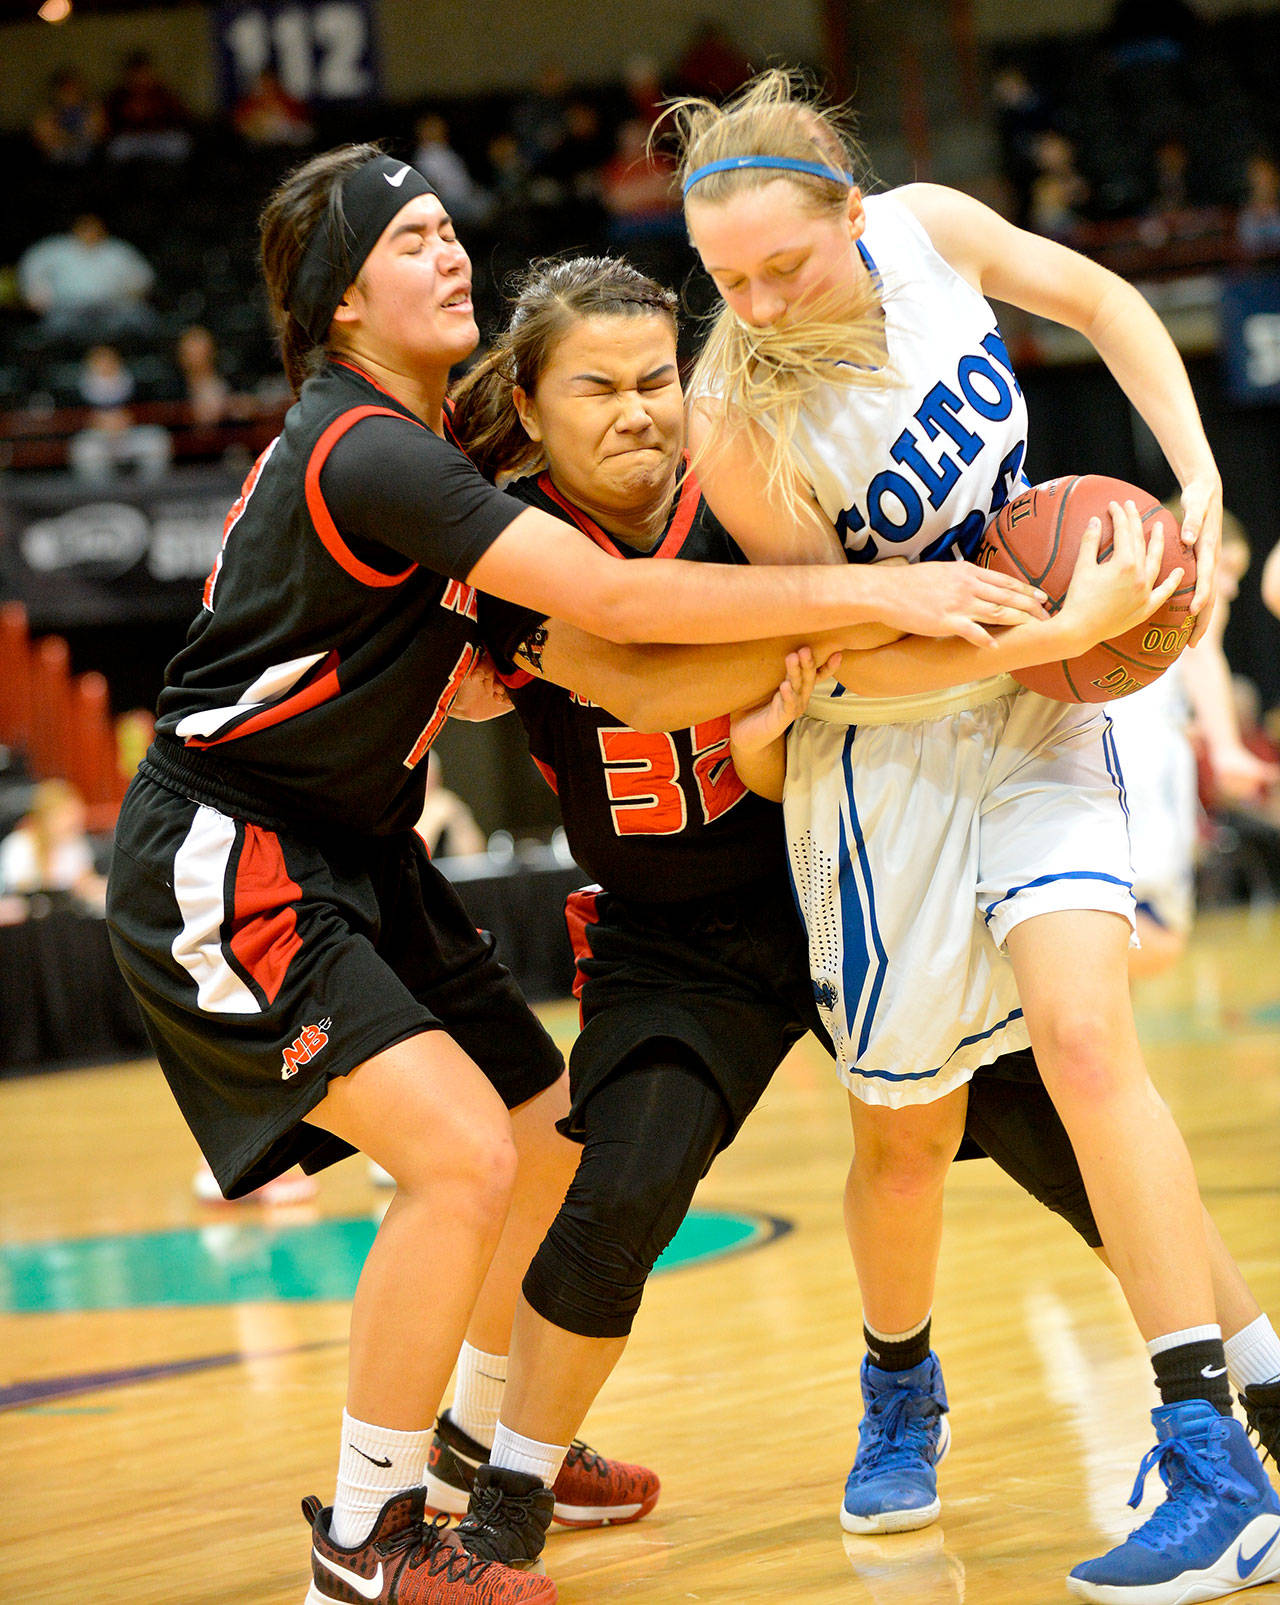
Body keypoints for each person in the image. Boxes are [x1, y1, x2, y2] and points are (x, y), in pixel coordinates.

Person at [103, 143, 1043, 1605]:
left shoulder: (442, 460)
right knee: (464, 1162)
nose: (451, 252)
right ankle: (366, 1539)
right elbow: (612, 598)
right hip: (236, 846)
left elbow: (618, 667)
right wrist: (884, 588)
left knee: (547, 1135)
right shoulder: (368, 448)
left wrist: (855, 650)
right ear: (345, 302)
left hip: (360, 846)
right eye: (412, 239)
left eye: (447, 228)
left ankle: (484, 1448)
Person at [432, 255, 1280, 1585]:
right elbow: (646, 669)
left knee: (1079, 1149)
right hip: (675, 940)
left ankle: (1254, 1400)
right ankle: (500, 1513)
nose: (641, 408)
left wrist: (980, 626)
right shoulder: (513, 548)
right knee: (625, 1188)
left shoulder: (749, 494)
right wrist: (838, 626)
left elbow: (850, 675)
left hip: (833, 873)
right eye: (596, 386)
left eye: (660, 377)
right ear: (528, 406)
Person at [668, 68, 1279, 1605]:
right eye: (722, 277)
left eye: (780, 267)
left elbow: (1104, 298)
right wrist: (1040, 635)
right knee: (907, 1132)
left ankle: (1210, 1453)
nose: (752, 300)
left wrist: (1195, 473)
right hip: (887, 759)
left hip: (1044, 708)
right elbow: (842, 661)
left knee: (1087, 1044)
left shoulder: (934, 233)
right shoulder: (735, 409)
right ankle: (898, 1383)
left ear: (854, 216)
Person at [17, 213, 159, 347]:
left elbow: (143, 276)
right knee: (53, 328)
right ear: (76, 229)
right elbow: (32, 270)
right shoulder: (55, 249)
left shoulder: (117, 250)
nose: (90, 233)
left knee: (141, 319)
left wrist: (134, 291)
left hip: (111, 309)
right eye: (86, 228)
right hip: (68, 309)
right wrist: (36, 294)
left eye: (94, 229)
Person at [0, 778, 106, 909]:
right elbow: (19, 891)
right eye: (66, 815)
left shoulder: (74, 844)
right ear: (47, 816)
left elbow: (87, 882)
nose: (74, 822)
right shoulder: (19, 845)